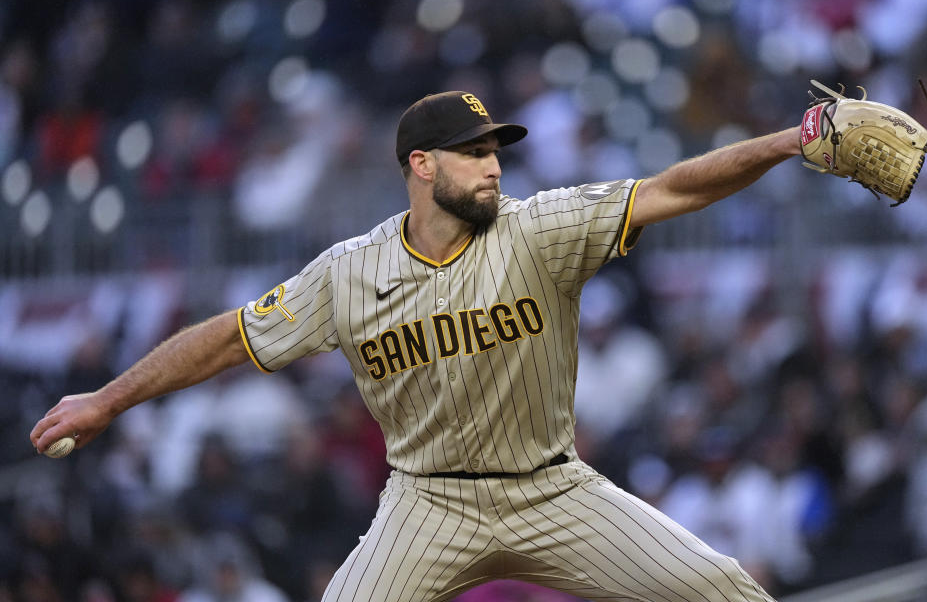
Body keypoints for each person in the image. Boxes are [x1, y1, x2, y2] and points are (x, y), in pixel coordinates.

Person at [32, 90, 801, 601]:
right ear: (422, 166)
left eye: (496, 149)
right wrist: (107, 398)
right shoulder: (349, 273)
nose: (494, 163)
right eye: (474, 151)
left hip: (553, 489)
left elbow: (674, 187)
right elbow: (230, 339)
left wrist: (791, 140)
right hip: (427, 502)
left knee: (724, 589)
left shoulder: (537, 228)